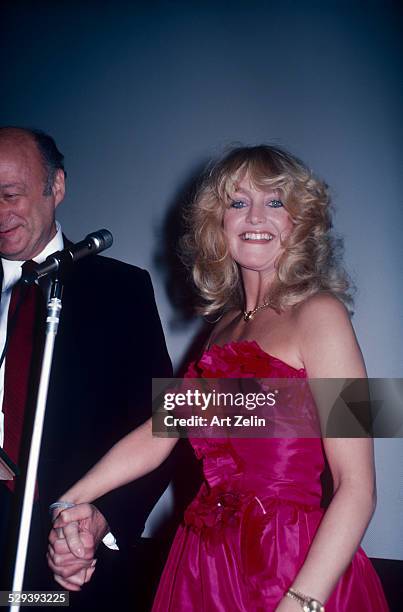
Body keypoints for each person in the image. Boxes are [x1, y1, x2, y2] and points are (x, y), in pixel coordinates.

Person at [49, 145, 389, 611]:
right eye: (237, 201)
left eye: (275, 202)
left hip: (294, 567)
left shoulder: (323, 314)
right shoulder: (221, 328)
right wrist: (68, 502)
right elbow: (159, 431)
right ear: (218, 222)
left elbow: (359, 487)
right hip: (205, 567)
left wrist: (300, 603)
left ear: (299, 221)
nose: (255, 216)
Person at [0, 127, 173, 609]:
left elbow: (173, 421)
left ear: (56, 187)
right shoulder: (226, 330)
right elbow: (176, 423)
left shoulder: (121, 289)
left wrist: (96, 515)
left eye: (10, 194)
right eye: (235, 209)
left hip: (68, 550)